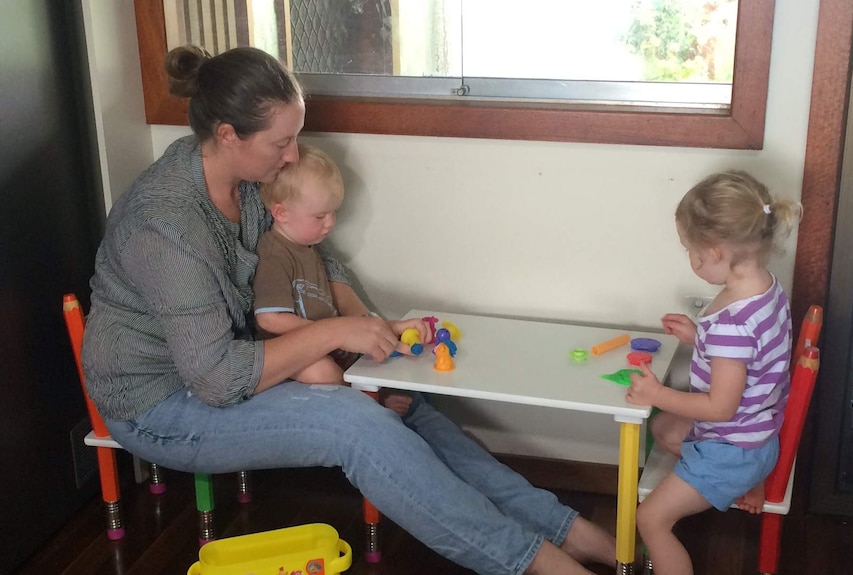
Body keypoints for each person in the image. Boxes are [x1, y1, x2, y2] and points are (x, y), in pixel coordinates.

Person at [81, 45, 616, 575]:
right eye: (281, 142)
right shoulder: (165, 228)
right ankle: (537, 563)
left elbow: (312, 257)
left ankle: (566, 528)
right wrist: (338, 331)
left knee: (403, 402)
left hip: (240, 359)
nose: (292, 155)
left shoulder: (246, 180)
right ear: (227, 135)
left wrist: (371, 330)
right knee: (358, 426)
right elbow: (216, 379)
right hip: (162, 404)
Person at [625, 170, 802, 575]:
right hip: (759, 436)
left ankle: (734, 481)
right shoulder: (766, 289)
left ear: (714, 252)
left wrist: (656, 395)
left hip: (734, 448)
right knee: (665, 431)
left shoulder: (730, 323)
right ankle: (740, 481)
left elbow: (719, 408)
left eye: (691, 250)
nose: (691, 260)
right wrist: (698, 338)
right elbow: (751, 357)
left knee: (650, 520)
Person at [253, 143, 411, 415]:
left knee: (370, 356)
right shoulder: (274, 253)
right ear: (281, 213)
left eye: (333, 212)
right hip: (291, 355)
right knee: (323, 371)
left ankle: (374, 396)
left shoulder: (308, 248)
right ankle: (370, 406)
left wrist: (388, 328)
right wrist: (333, 334)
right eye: (320, 216)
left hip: (326, 344)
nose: (331, 223)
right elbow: (269, 319)